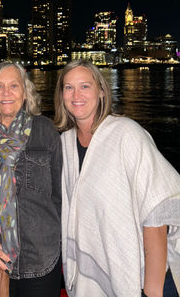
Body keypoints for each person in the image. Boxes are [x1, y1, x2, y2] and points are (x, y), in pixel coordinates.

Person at [54, 59, 180, 297]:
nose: (76, 94)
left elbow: (157, 209)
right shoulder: (65, 144)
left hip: (144, 277)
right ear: (61, 95)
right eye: (68, 87)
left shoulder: (126, 134)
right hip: (97, 277)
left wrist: (152, 287)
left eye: (85, 86)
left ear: (101, 91)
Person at [0, 62, 62, 297]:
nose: (6, 93)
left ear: (25, 93)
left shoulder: (45, 132)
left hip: (41, 262)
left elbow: (60, 195)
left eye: (14, 86)